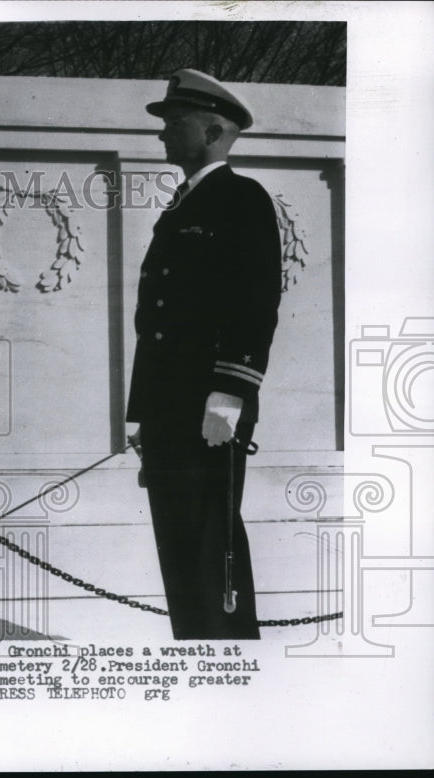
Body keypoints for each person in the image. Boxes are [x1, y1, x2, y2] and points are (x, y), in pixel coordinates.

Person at [126, 69, 282, 640]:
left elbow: (256, 300)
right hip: (174, 407)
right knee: (178, 541)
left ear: (214, 129)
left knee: (208, 541)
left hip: (210, 404)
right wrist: (146, 411)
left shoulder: (240, 198)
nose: (163, 133)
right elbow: (160, 321)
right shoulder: (186, 205)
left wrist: (231, 392)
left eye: (175, 123)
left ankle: (228, 662)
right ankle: (198, 654)